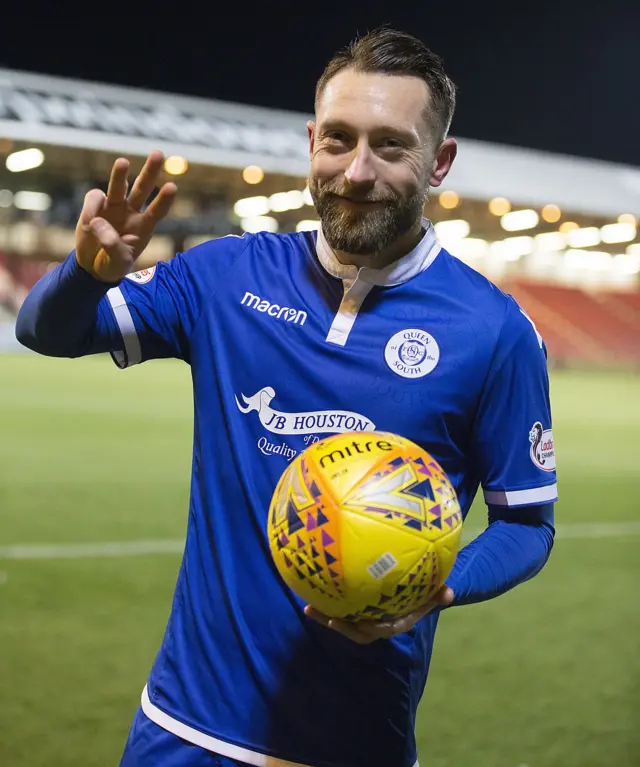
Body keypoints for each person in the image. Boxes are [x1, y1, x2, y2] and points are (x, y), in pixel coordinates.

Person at [15, 27, 557, 767]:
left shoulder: (493, 330)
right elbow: (49, 331)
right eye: (337, 140)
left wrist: (438, 585)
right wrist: (86, 272)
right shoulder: (226, 277)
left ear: (440, 163)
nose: (356, 171)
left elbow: (528, 524)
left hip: (355, 742)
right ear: (311, 142)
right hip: (181, 728)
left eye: (391, 146)